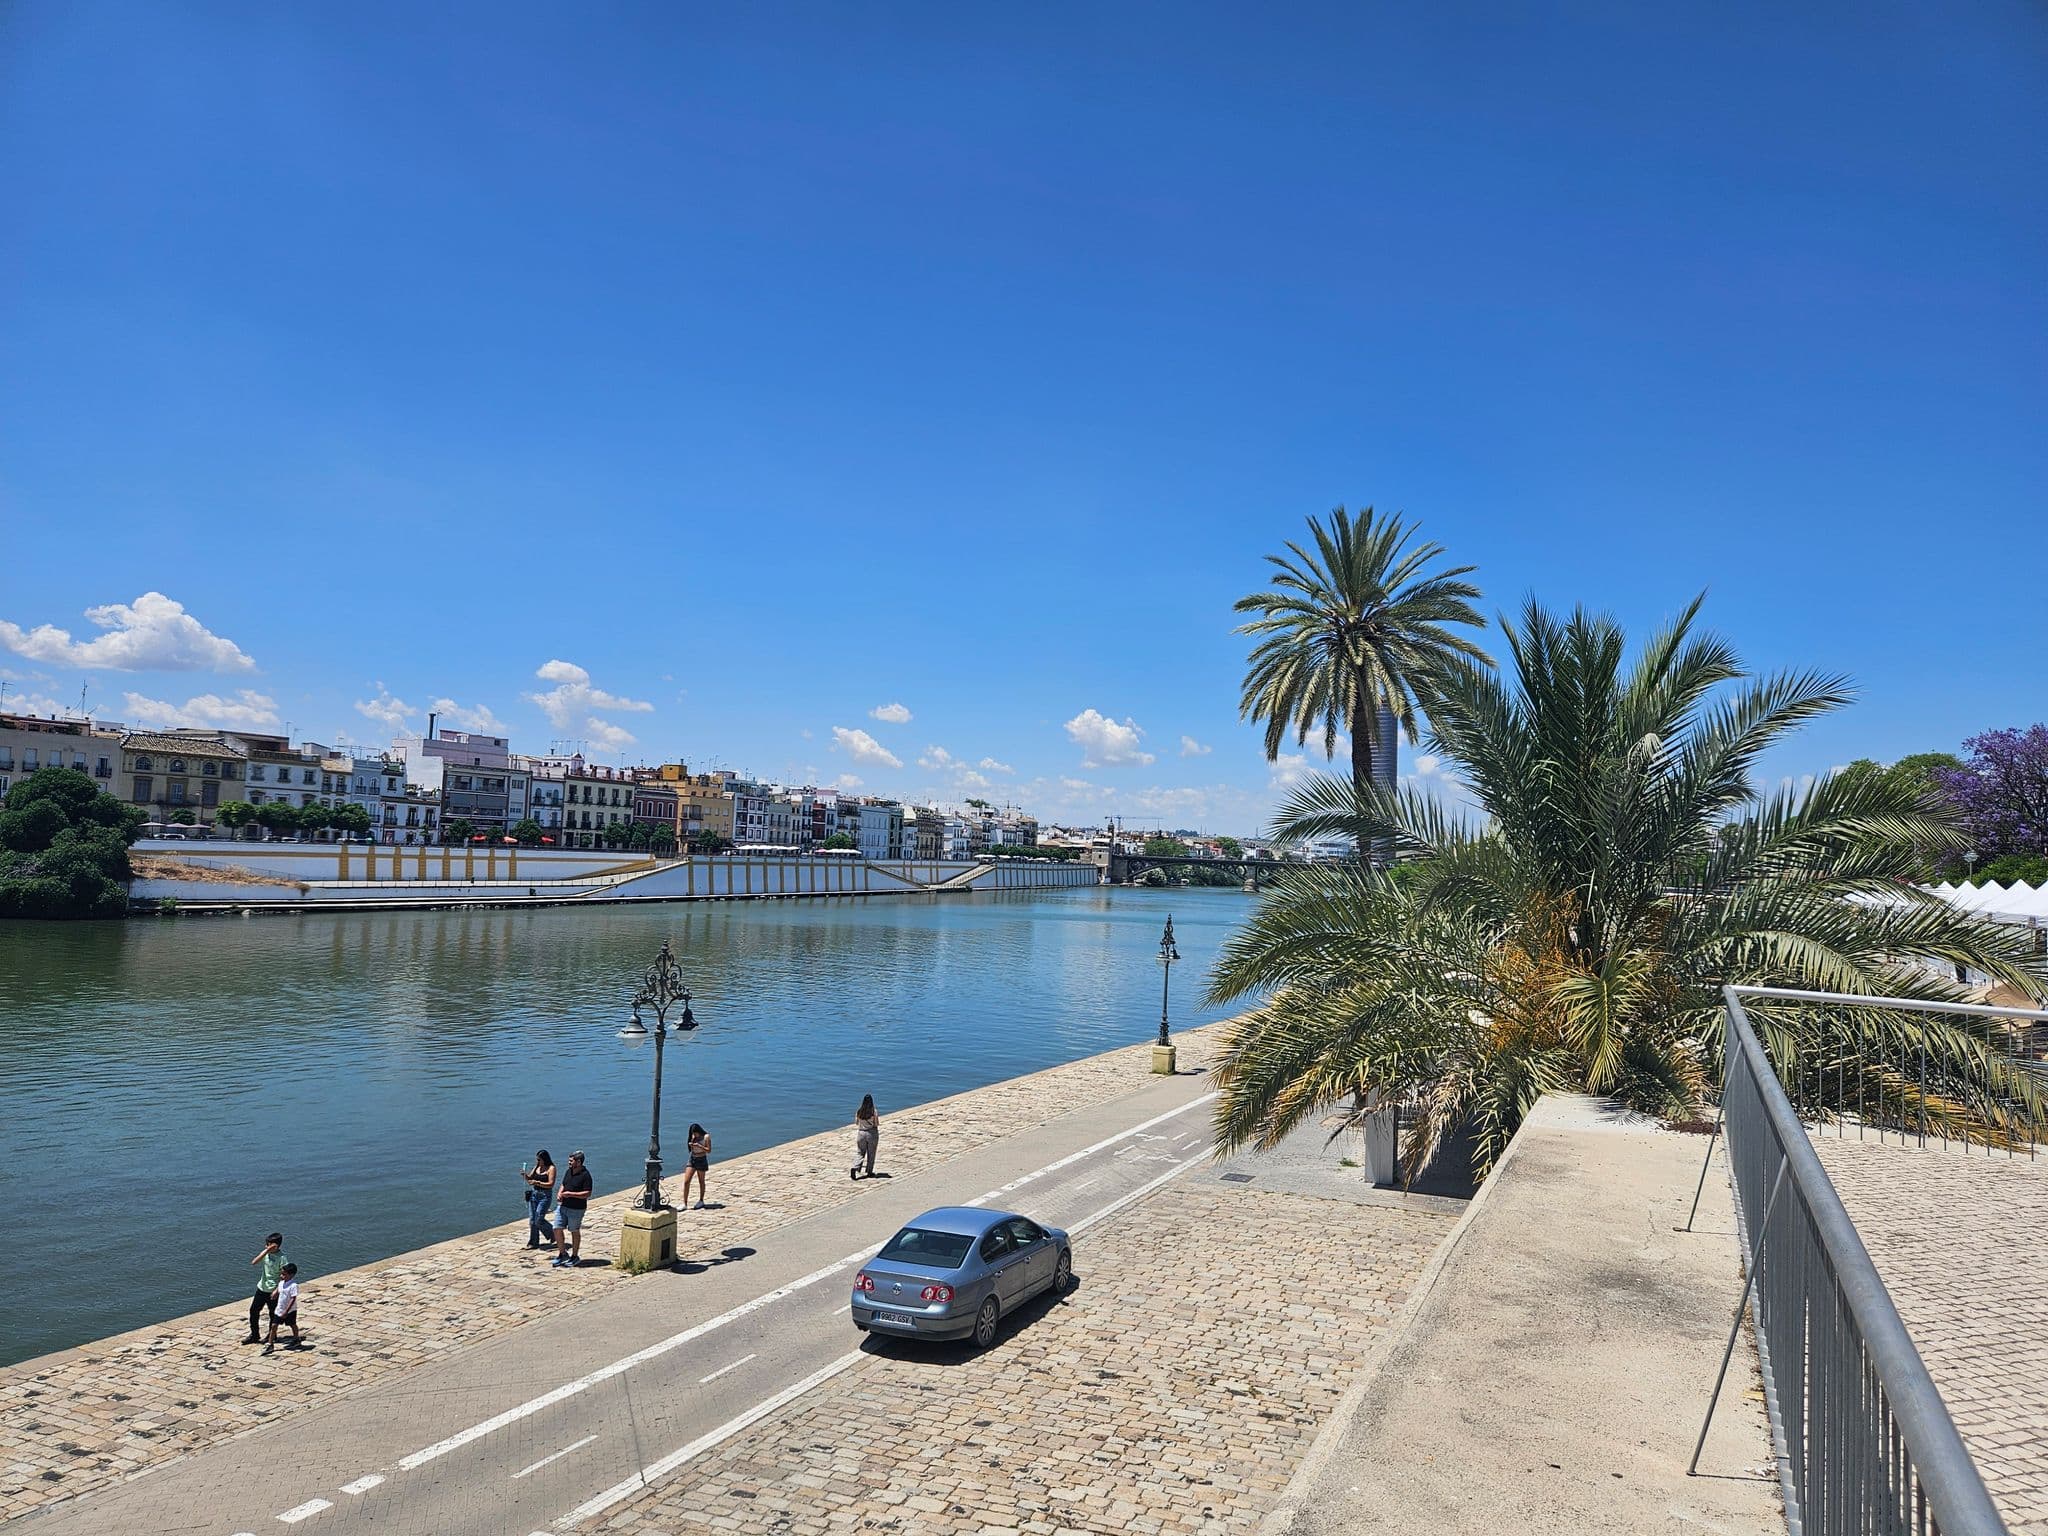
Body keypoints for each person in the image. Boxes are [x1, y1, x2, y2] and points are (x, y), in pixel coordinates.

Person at [552, 1151, 593, 1268]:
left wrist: (571, 1194)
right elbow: (563, 1184)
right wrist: (560, 1193)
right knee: (556, 1228)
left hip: (576, 1209)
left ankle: (575, 1256)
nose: (569, 1163)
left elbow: (587, 1193)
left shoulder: (586, 1175)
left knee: (574, 1230)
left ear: (579, 1162)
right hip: (563, 1206)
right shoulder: (568, 1171)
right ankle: (562, 1253)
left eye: (571, 1161)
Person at [245, 1232, 288, 1344]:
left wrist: (276, 1290)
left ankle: (271, 1335)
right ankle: (255, 1335)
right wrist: (266, 1251)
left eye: (268, 1245)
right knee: (253, 1311)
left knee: (272, 1313)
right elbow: (254, 1262)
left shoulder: (282, 1258)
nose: (266, 1246)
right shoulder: (266, 1254)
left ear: (276, 1246)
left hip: (273, 1290)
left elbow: (284, 1277)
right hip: (262, 1288)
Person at [263, 1263, 301, 1355]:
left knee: (292, 1324)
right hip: (279, 1309)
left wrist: (286, 1311)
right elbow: (279, 1289)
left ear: (291, 1275)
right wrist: (275, 1293)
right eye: (281, 1274)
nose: (281, 1276)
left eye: (284, 1274)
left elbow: (293, 1298)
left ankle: (296, 1339)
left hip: (289, 1310)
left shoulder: (293, 1285)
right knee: (274, 1325)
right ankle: (270, 1343)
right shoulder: (281, 1283)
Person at [523, 1150, 557, 1248]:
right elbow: (530, 1178)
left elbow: (551, 1184)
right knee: (532, 1220)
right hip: (534, 1195)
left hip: (544, 1196)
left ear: (544, 1159)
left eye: (539, 1160)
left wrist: (537, 1182)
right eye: (537, 1159)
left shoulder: (551, 1168)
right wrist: (525, 1176)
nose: (537, 1161)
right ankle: (533, 1242)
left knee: (539, 1219)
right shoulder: (537, 1166)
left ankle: (553, 1233)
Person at [682, 1124, 711, 1210]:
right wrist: (691, 1145)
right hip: (692, 1159)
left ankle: (701, 1200)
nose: (695, 1135)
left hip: (701, 1159)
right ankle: (684, 1203)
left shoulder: (706, 1137)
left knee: (701, 1181)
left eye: (696, 1133)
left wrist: (700, 1146)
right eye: (693, 1133)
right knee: (686, 1181)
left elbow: (709, 1150)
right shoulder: (692, 1136)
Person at [851, 1095, 880, 1181]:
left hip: (861, 1133)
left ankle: (855, 1167)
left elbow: (856, 1122)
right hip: (871, 1133)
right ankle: (869, 1171)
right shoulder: (873, 1112)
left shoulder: (859, 1111)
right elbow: (876, 1123)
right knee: (871, 1153)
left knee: (860, 1152)